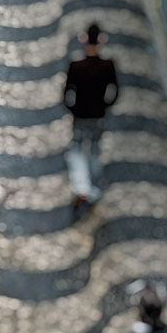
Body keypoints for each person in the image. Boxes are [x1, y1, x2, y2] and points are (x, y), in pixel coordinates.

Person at [63, 23, 118, 208]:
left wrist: (72, 108)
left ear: (84, 39)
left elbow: (67, 92)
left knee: (77, 148)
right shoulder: (108, 66)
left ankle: (81, 187)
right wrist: (105, 105)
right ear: (101, 39)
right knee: (94, 149)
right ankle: (93, 186)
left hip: (80, 115)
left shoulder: (76, 66)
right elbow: (115, 90)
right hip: (97, 115)